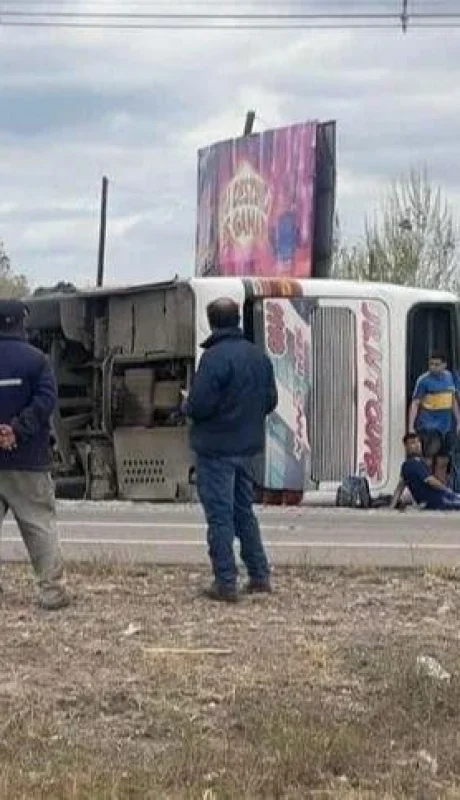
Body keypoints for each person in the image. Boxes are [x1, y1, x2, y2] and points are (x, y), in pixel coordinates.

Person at [184, 297, 278, 602]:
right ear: (237, 318)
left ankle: (225, 581)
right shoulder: (258, 356)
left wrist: (185, 403)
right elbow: (271, 400)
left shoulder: (213, 359)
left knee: (220, 516)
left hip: (216, 449)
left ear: (212, 322)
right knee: (243, 513)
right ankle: (259, 574)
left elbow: (199, 406)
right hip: (248, 447)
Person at [0, 299, 70, 609]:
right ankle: (52, 593)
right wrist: (15, 430)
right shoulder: (36, 360)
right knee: (39, 525)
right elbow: (45, 403)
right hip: (27, 460)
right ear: (20, 323)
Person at [408, 351, 460, 484]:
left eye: (437, 365)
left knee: (443, 461)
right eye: (431, 364)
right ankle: (426, 492)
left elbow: (453, 400)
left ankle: (442, 494)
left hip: (446, 427)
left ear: (444, 365)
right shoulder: (423, 380)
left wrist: (458, 421)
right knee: (428, 461)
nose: (433, 367)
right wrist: (411, 427)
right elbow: (415, 403)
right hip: (428, 426)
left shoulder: (450, 377)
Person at [391, 432, 460, 510]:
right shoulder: (413, 463)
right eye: (413, 443)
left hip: (436, 499)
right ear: (406, 446)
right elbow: (430, 480)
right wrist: (448, 490)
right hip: (437, 501)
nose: (417, 445)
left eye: (418, 442)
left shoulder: (407, 465)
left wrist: (391, 507)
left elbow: (400, 488)